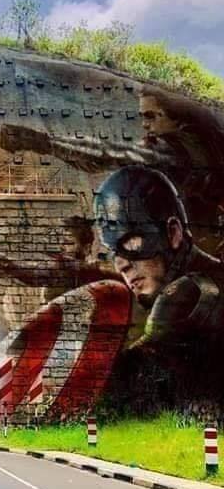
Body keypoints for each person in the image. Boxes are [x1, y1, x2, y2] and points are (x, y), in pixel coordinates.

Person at [94, 164, 224, 419]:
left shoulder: (189, 292)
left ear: (172, 233)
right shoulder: (207, 280)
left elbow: (122, 385)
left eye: (131, 241)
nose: (121, 265)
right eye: (114, 251)